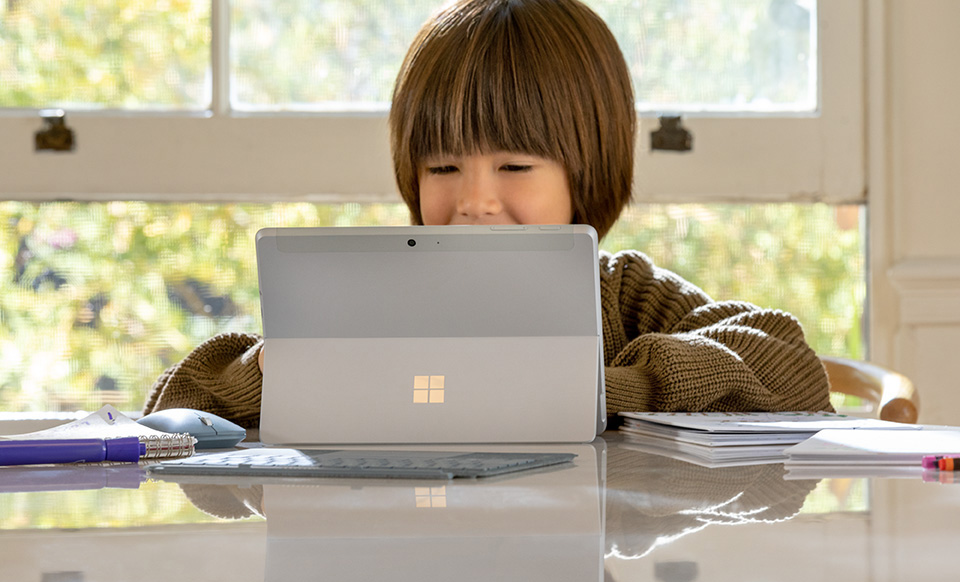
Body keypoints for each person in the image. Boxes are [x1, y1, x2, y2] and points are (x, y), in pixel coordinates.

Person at [143, 0, 832, 437]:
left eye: (514, 167)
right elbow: (170, 411)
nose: (473, 200)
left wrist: (586, 392)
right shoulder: (377, 297)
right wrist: (276, 369)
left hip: (580, 559)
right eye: (443, 169)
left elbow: (787, 362)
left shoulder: (624, 294)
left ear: (587, 170)